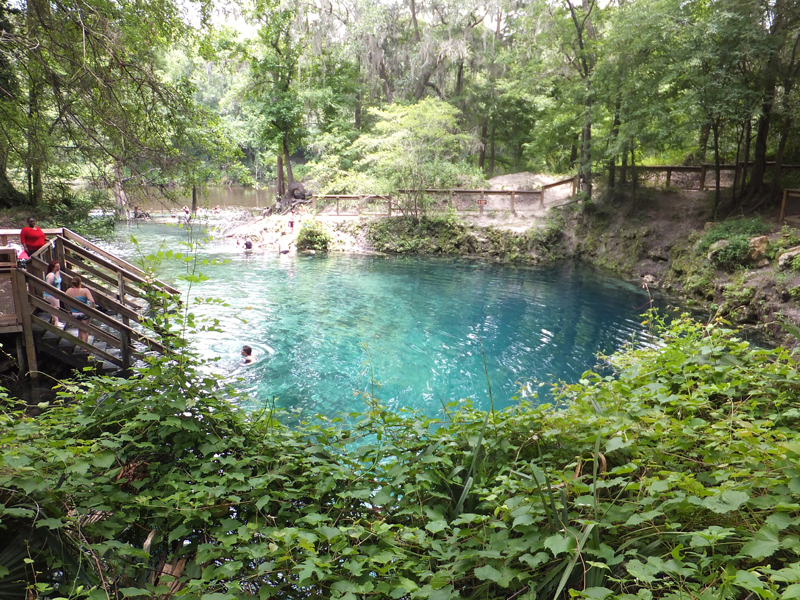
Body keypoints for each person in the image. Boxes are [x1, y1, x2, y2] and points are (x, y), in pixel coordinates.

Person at [65, 276, 96, 343]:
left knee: (80, 328)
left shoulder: (68, 291)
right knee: (84, 330)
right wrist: (92, 309)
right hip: (84, 313)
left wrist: (69, 310)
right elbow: (92, 301)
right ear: (80, 283)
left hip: (75, 313)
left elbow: (65, 301)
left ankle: (80, 343)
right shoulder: (85, 291)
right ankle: (84, 348)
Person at [44, 260, 63, 328]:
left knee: (57, 307)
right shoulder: (51, 275)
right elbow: (49, 286)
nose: (58, 268)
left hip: (57, 293)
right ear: (52, 267)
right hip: (51, 294)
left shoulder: (57, 273)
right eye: (56, 267)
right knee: (55, 307)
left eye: (59, 266)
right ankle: (56, 322)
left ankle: (56, 321)